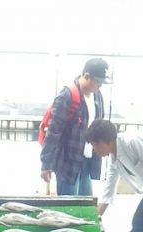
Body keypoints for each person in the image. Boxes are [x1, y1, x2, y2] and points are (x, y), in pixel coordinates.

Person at [40, 57, 109, 196]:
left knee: (85, 204)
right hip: (68, 163)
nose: (100, 86)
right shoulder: (67, 95)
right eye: (98, 82)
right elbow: (53, 132)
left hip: (88, 160)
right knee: (68, 207)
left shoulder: (98, 96)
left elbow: (98, 127)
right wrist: (46, 164)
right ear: (86, 76)